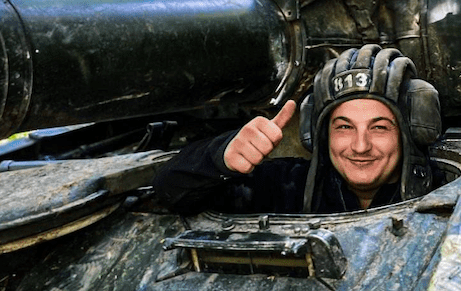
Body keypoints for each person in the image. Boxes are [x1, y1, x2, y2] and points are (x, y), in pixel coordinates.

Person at [153, 44, 442, 214]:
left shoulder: (444, 190)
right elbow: (170, 190)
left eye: (379, 128)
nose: (360, 146)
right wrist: (221, 156)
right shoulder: (292, 186)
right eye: (344, 127)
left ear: (408, 133)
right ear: (319, 133)